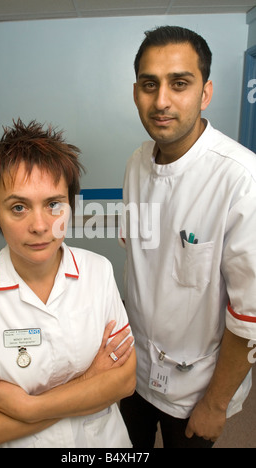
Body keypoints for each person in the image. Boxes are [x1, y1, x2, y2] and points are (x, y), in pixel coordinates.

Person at [0, 119, 136, 448]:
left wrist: (31, 406)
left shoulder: (98, 270)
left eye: (54, 204)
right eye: (19, 207)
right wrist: (91, 382)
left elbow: (124, 380)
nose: (40, 226)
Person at [119, 25, 256, 448]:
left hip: (197, 388)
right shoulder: (136, 163)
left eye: (180, 83)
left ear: (205, 92)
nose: (161, 101)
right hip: (132, 371)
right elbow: (143, 265)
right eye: (149, 84)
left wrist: (216, 404)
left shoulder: (241, 179)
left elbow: (249, 314)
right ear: (136, 91)